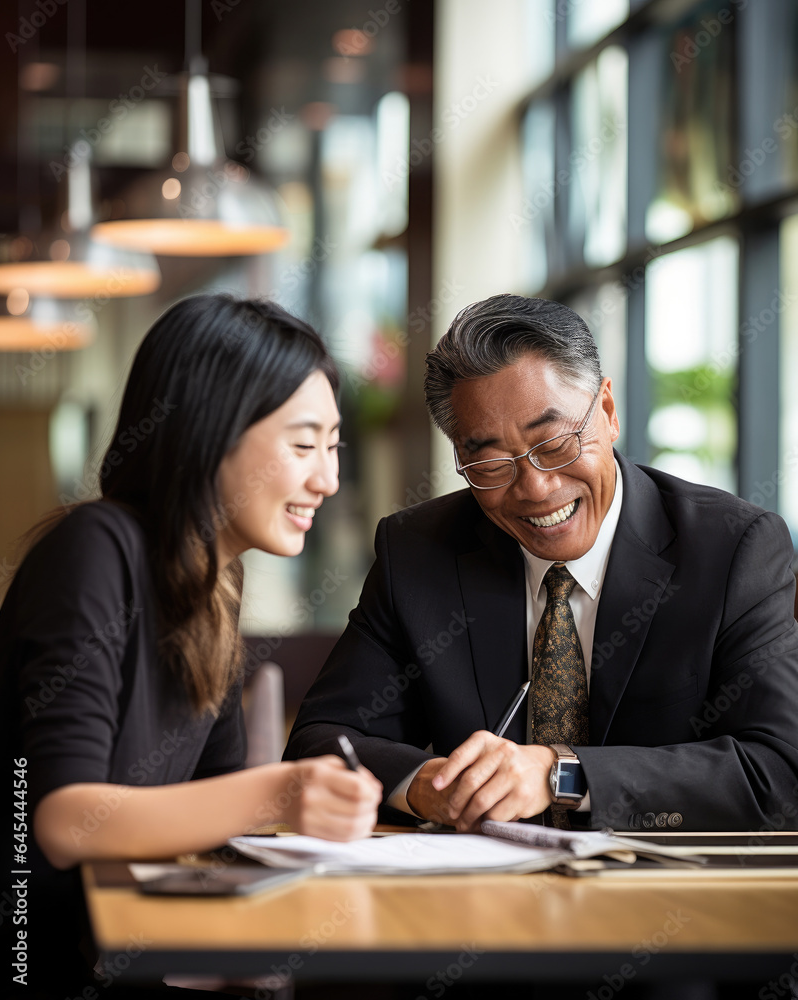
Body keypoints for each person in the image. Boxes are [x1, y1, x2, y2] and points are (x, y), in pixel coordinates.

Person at [285, 293, 798, 835]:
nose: (535, 488)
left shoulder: (732, 549)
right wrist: (430, 786)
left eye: (553, 444)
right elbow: (321, 742)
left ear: (607, 411)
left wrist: (562, 775)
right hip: (480, 900)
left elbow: (780, 771)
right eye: (489, 463)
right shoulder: (417, 550)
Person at [0, 294, 381, 998]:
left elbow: (211, 805)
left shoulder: (212, 582)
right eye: (303, 445)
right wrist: (285, 790)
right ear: (211, 432)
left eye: (333, 448)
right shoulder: (96, 549)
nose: (326, 479)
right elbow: (63, 820)